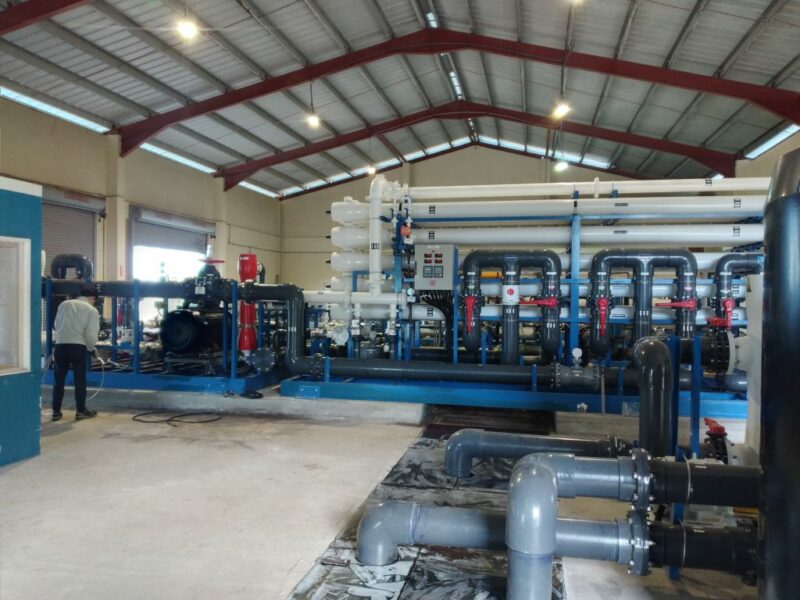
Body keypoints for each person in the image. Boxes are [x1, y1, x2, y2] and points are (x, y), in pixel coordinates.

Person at [51, 286, 100, 421]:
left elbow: (56, 325)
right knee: (80, 380)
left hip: (60, 345)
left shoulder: (64, 304)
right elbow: (90, 334)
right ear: (92, 298)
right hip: (78, 347)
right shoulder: (91, 310)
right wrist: (91, 348)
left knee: (59, 380)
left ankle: (56, 412)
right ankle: (80, 411)